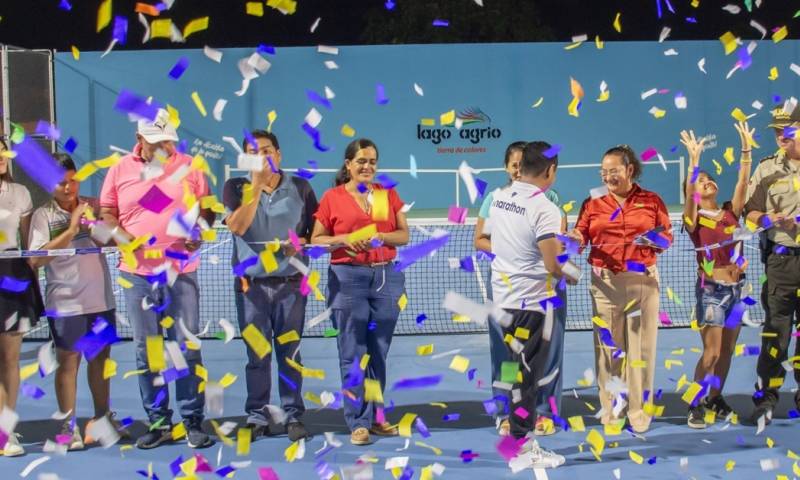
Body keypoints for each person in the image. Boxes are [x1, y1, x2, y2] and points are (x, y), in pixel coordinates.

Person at [99, 109, 216, 449]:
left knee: (186, 347)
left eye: (168, 141)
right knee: (147, 351)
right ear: (139, 141)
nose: (164, 147)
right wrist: (125, 241)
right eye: (156, 142)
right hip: (136, 275)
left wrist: (200, 229)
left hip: (181, 271)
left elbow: (207, 209)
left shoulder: (191, 166)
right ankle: (160, 421)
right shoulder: (119, 170)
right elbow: (107, 214)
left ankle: (193, 421)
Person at [310, 138, 409, 446]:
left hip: (385, 279)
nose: (367, 166)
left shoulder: (386, 195)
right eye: (361, 161)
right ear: (348, 165)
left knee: (378, 351)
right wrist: (343, 240)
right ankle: (358, 421)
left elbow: (403, 235)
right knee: (353, 352)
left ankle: (377, 417)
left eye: (372, 161)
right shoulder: (332, 197)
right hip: (347, 278)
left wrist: (381, 235)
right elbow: (316, 239)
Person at [568, 145, 672, 434]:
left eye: (613, 171)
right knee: (608, 350)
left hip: (642, 283)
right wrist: (574, 237)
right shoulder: (592, 202)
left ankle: (638, 412)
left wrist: (654, 240)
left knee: (641, 350)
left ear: (629, 169)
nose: (608, 176)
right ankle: (613, 409)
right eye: (604, 172)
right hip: (605, 284)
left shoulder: (652, 201)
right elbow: (581, 237)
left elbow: (667, 238)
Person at [223, 130, 318, 442]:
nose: (262, 156)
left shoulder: (302, 188)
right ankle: (257, 415)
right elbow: (236, 226)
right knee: (257, 356)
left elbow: (315, 237)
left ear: (279, 154)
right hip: (251, 288)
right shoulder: (235, 187)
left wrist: (299, 244)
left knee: (290, 354)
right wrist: (256, 187)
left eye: (267, 150)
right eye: (254, 152)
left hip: (291, 285)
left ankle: (292, 415)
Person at [485, 141, 572, 469]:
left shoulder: (499, 198)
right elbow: (553, 265)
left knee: (513, 369)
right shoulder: (545, 207)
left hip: (504, 300)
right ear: (550, 170)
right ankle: (523, 446)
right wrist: (573, 270)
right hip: (530, 303)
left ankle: (514, 439)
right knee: (527, 376)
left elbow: (501, 241)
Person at [29, 154, 124, 449]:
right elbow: (34, 259)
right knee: (69, 365)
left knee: (99, 363)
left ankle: (102, 419)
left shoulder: (93, 206)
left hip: (100, 302)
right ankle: (67, 427)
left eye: (73, 180)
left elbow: (113, 241)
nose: (69, 188)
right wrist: (71, 230)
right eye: (61, 183)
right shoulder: (42, 215)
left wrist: (93, 223)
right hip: (65, 303)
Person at [680, 122, 754, 428]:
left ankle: (715, 398)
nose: (707, 182)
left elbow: (742, 183)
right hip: (711, 291)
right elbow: (689, 195)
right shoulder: (693, 221)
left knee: (726, 352)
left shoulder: (729, 212)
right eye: (702, 181)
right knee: (710, 353)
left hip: (737, 291)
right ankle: (695, 403)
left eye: (710, 180)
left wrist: (746, 149)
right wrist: (695, 163)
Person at [744, 107, 800, 424]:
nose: (780, 135)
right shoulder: (766, 170)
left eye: (787, 130)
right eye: (777, 130)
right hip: (781, 261)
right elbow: (749, 214)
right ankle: (767, 397)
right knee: (776, 334)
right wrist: (768, 219)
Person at [0, 138, 44, 457]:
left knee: (9, 359)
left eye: (3, 152)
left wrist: (35, 281)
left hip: (12, 276)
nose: (2, 158)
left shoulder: (21, 194)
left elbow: (29, 246)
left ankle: (6, 432)